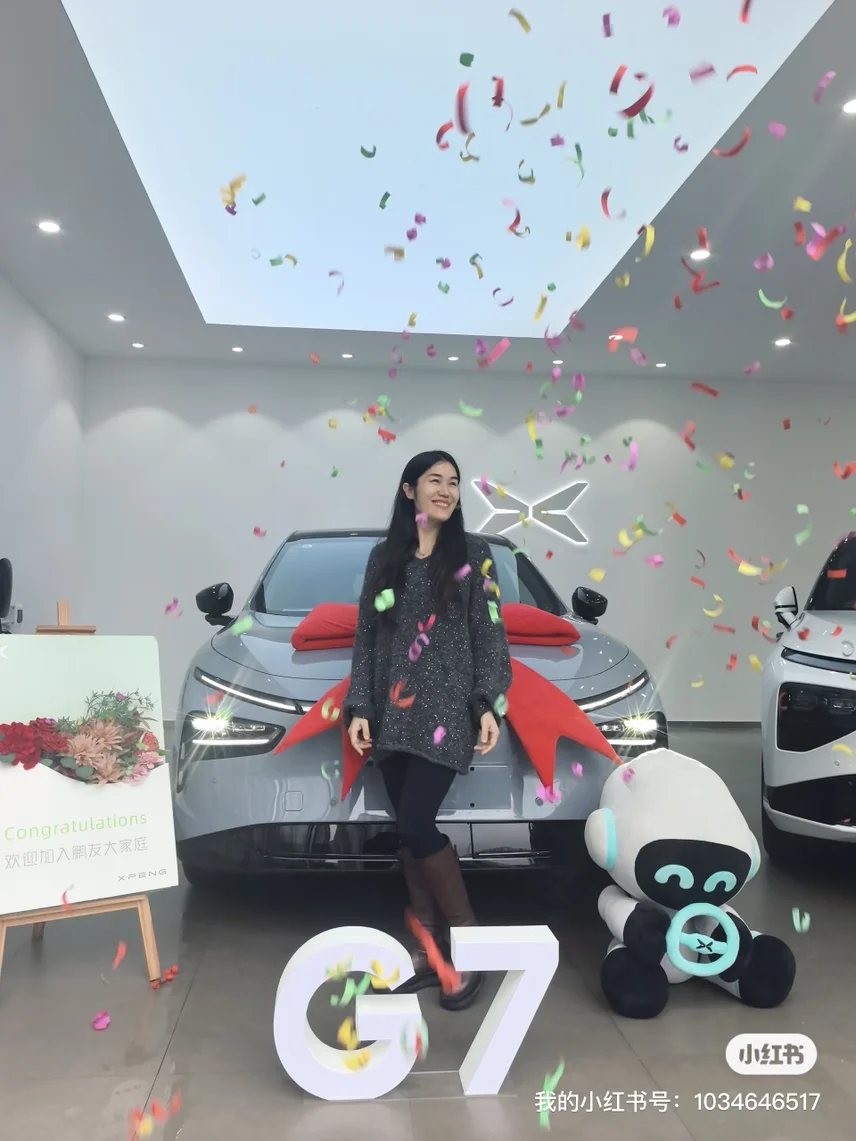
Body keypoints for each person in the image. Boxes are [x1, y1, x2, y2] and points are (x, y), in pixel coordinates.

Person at [344, 450, 512, 1010]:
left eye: (454, 482)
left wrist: (487, 703)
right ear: (409, 490)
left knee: (418, 821)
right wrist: (360, 706)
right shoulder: (384, 558)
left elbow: (490, 635)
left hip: (446, 714)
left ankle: (468, 946)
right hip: (393, 714)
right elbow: (367, 639)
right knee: (407, 830)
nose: (446, 490)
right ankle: (424, 951)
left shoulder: (474, 555)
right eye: (434, 480)